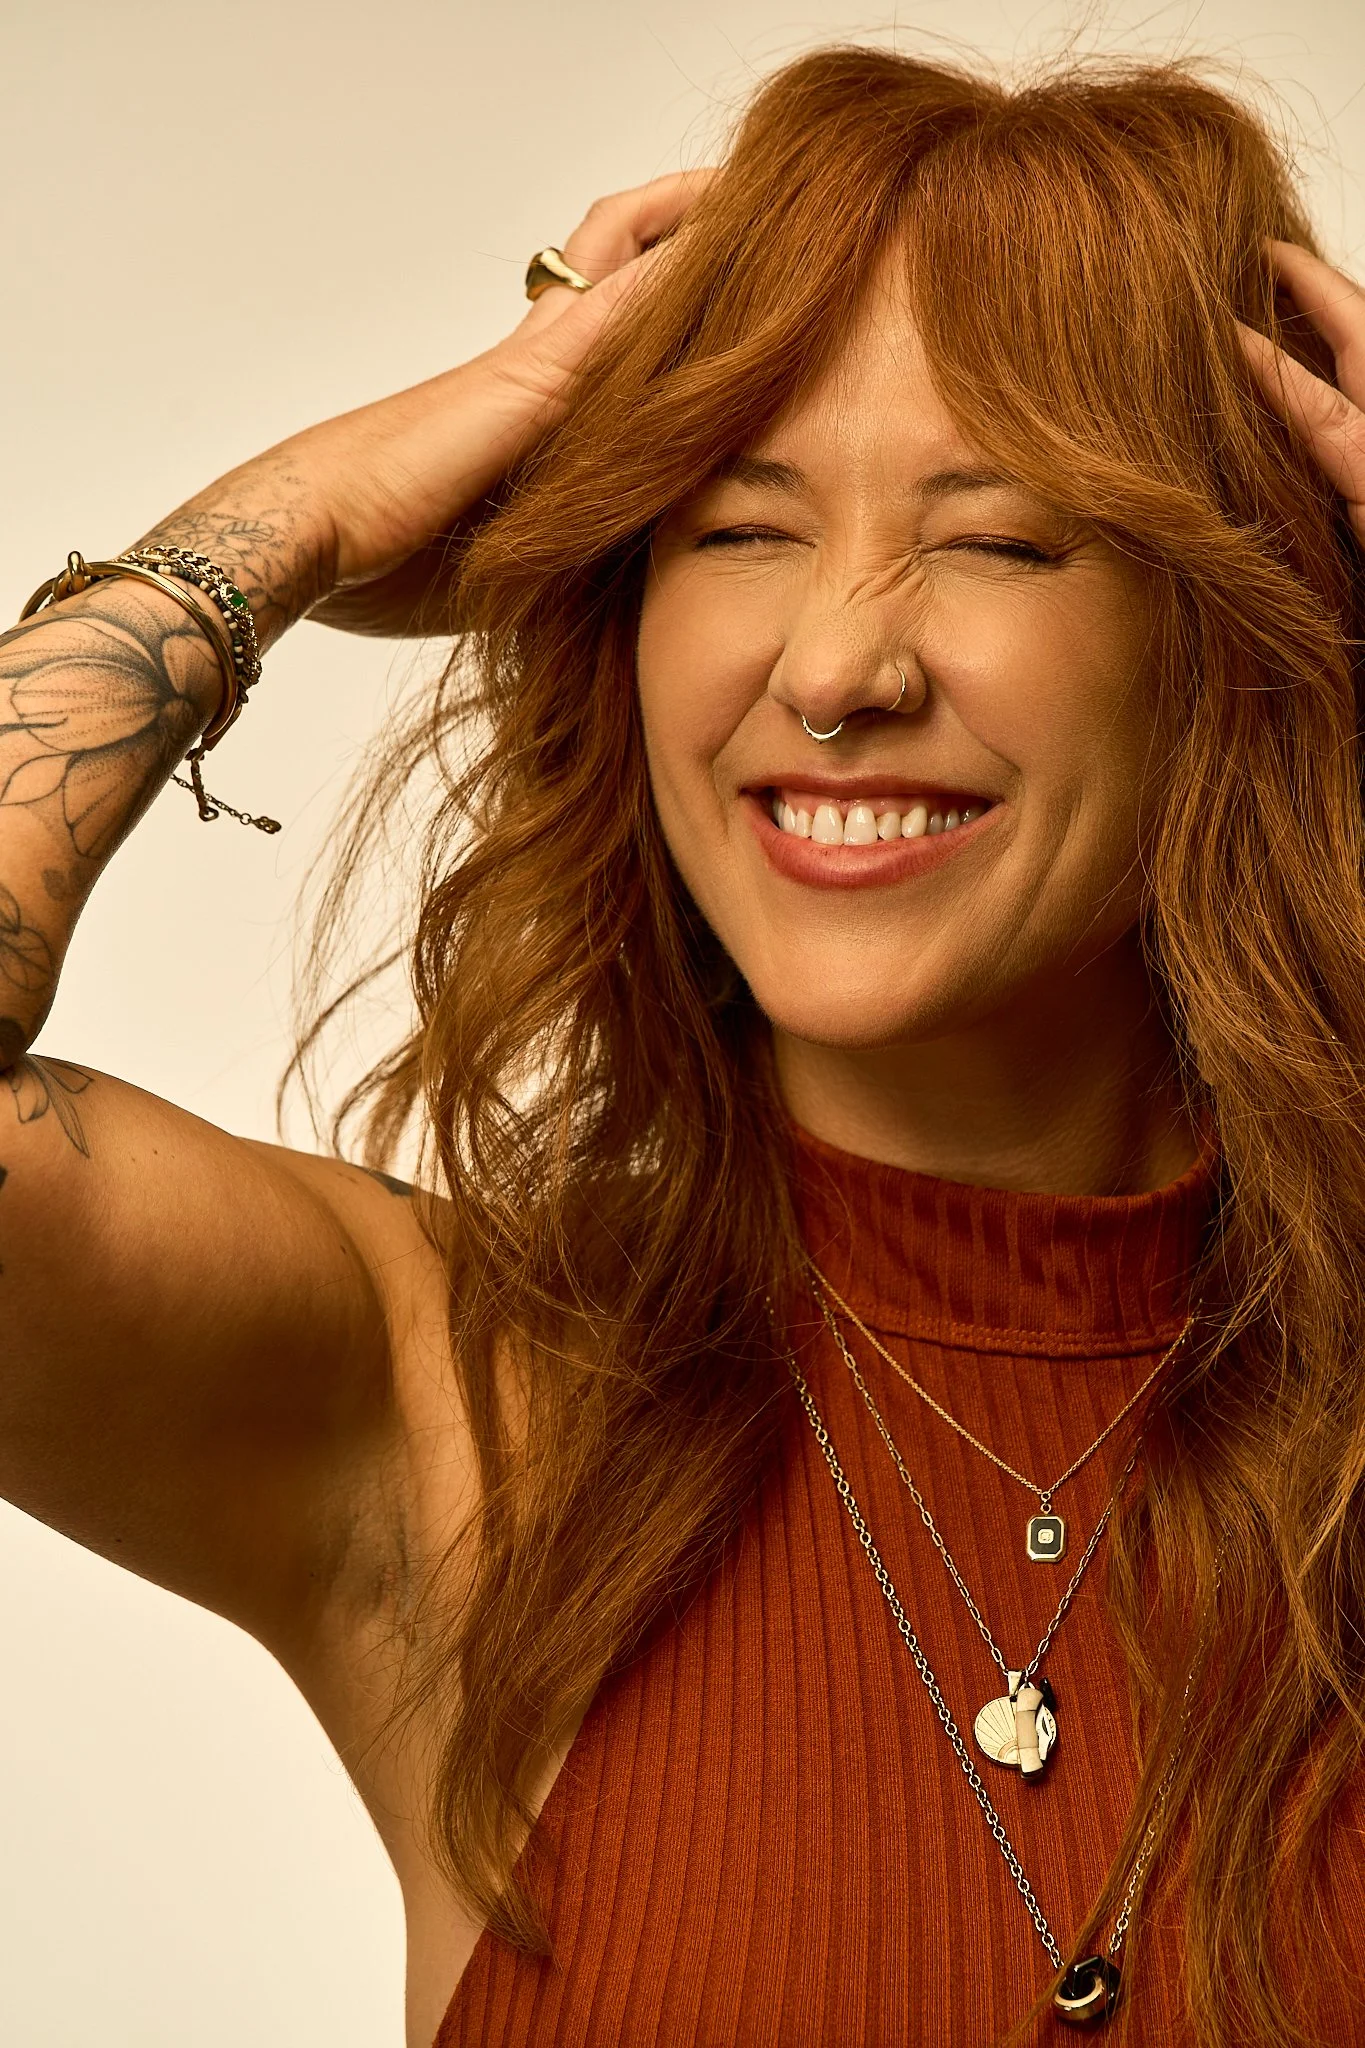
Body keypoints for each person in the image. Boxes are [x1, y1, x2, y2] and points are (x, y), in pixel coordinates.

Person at [2, 38, 1364, 2048]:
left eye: (1001, 538)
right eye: (735, 528)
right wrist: (282, 525)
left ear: (1238, 634)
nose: (834, 665)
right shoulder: (438, 1401)